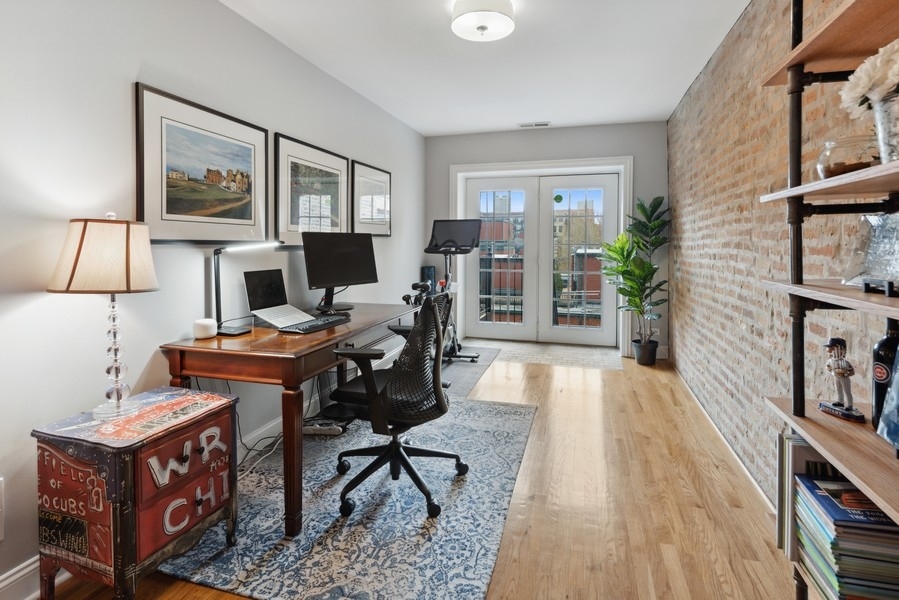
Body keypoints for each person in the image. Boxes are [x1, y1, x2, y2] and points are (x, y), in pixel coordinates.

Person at [824, 337, 855, 409]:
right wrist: (833, 373)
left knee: (847, 391)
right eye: (830, 349)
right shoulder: (831, 361)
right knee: (838, 390)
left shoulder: (845, 363)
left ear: (841, 350)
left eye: (832, 349)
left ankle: (850, 405)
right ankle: (840, 402)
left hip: (844, 378)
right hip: (836, 377)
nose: (830, 351)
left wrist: (845, 373)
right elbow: (828, 368)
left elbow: (852, 372)